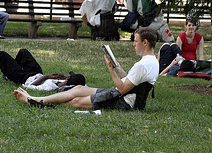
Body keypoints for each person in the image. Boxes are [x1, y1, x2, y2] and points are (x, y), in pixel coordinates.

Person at [13, 27, 159, 111]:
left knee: (76, 100)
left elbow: (121, 89)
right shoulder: (152, 61)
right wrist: (120, 69)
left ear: (145, 42)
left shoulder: (143, 64)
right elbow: (133, 82)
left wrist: (111, 69)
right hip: (126, 97)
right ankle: (37, 99)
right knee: (78, 88)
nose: (134, 44)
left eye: (136, 41)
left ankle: (38, 102)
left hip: (125, 102)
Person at [0, 49, 86, 91]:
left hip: (24, 78)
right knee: (24, 53)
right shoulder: (65, 82)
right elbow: (83, 84)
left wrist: (47, 77)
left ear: (68, 81)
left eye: (68, 77)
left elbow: (29, 86)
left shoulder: (52, 87)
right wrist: (60, 76)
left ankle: (10, 73)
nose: (66, 77)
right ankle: (8, 73)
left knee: (1, 55)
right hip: (36, 73)